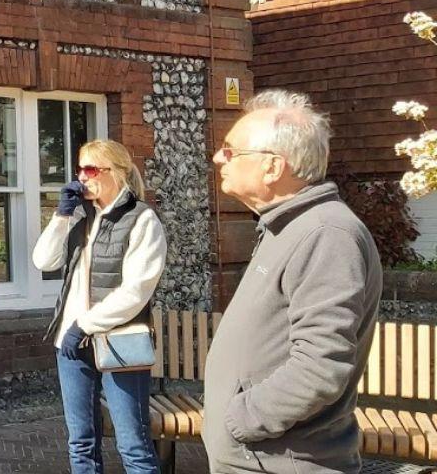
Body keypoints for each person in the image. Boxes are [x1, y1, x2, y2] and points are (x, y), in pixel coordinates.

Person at [204, 90, 381, 473]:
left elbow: (321, 366)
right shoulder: (287, 227)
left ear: (272, 166)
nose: (219, 158)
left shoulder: (326, 233)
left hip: (282, 461)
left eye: (231, 150)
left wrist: (240, 420)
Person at [33, 139, 165, 474]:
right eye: (79, 169)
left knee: (133, 443)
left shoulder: (141, 218)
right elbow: (43, 260)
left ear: (116, 173)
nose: (82, 177)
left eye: (90, 169)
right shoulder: (79, 214)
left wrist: (84, 324)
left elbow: (136, 290)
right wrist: (61, 216)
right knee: (81, 442)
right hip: (72, 344)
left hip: (119, 342)